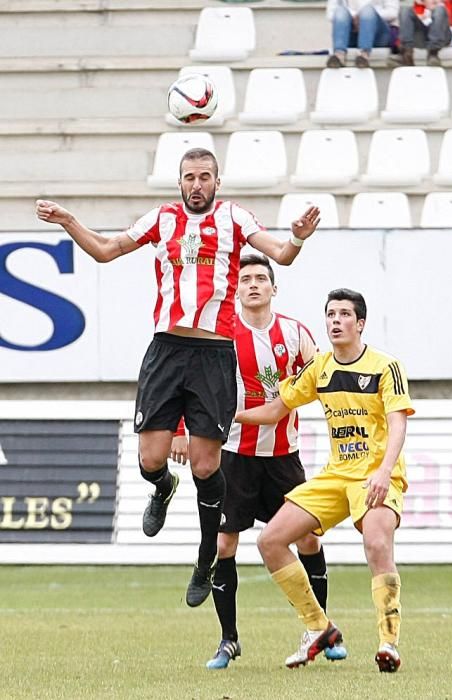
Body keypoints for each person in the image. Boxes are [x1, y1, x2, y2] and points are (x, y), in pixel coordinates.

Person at [35, 148, 321, 609]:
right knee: (150, 458)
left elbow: (281, 255)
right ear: (179, 182)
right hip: (167, 349)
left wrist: (299, 239)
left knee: (208, 466)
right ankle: (162, 486)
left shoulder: (235, 218)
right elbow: (107, 251)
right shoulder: (161, 218)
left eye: (204, 176)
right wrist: (70, 221)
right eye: (189, 176)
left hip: (213, 353)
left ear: (217, 181)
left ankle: (206, 555)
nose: (196, 184)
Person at [235, 288, 414, 672]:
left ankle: (389, 643)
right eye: (330, 314)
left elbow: (399, 423)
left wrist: (384, 471)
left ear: (360, 323)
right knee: (270, 540)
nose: (335, 321)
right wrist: (226, 417)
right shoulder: (319, 367)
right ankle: (319, 627)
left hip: (376, 475)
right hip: (336, 475)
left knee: (377, 543)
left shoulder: (385, 366)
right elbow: (275, 411)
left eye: (344, 314)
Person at [194, 253, 346, 669]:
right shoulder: (220, 334)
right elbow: (195, 383)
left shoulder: (295, 333)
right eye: (246, 279)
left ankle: (319, 630)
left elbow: (323, 376)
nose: (254, 284)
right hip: (235, 456)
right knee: (225, 544)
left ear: (274, 288)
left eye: (262, 278)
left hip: (283, 456)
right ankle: (228, 640)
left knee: (308, 539)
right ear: (236, 289)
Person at [326, 0, 400, 68]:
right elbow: (330, 14)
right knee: (340, 11)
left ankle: (364, 55)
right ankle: (339, 55)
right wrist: (354, 18)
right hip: (351, 32)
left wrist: (363, 18)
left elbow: (392, 12)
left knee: (367, 11)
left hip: (378, 35)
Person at [388, 0, 452, 66]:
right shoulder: (416, 9)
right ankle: (407, 55)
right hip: (421, 37)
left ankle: (433, 54)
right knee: (404, 10)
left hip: (443, 36)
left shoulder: (450, 5)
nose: (435, 0)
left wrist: (446, 12)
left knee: (440, 10)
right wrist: (421, 17)